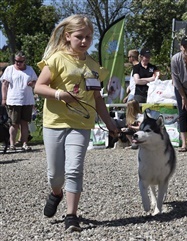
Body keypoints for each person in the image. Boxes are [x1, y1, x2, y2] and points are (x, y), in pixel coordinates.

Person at [34, 14, 119, 232]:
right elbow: (39, 87)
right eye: (79, 37)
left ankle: (71, 215)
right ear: (68, 36)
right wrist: (60, 94)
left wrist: (110, 124)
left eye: (88, 37)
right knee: (55, 174)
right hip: (54, 122)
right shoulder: (56, 59)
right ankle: (56, 193)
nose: (84, 41)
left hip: (81, 124)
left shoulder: (93, 66)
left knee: (74, 169)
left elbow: (98, 98)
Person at [1, 51, 37, 151]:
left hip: (27, 100)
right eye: (16, 61)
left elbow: (36, 82)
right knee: (14, 123)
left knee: (24, 123)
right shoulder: (10, 69)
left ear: (24, 61)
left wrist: (32, 83)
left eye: (20, 61)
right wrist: (4, 98)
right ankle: (12, 144)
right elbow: (4, 84)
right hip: (13, 100)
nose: (18, 63)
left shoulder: (30, 69)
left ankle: (24, 143)